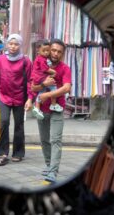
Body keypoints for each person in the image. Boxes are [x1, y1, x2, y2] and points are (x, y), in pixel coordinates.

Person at [30, 38, 71, 183]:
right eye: (53, 50)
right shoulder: (39, 64)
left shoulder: (65, 68)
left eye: (59, 52)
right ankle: (48, 164)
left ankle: (53, 171)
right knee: (44, 139)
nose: (55, 54)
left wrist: (48, 94)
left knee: (56, 139)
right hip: (42, 109)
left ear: (63, 54)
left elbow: (67, 88)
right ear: (48, 50)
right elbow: (33, 88)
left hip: (57, 109)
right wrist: (44, 85)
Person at [0, 33, 33, 166]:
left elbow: (31, 81)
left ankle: (18, 152)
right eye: (11, 43)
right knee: (4, 122)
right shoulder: (1, 60)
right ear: (7, 44)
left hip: (20, 97)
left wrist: (30, 98)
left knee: (19, 125)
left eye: (16, 44)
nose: (13, 47)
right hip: (4, 96)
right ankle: (3, 152)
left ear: (20, 45)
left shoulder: (26, 61)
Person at [31, 40, 63, 120]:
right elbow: (45, 68)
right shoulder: (41, 59)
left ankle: (37, 108)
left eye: (47, 51)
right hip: (40, 77)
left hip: (38, 78)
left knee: (42, 91)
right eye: (44, 51)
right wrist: (53, 72)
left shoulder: (42, 58)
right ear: (38, 51)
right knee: (53, 87)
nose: (46, 52)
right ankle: (53, 104)